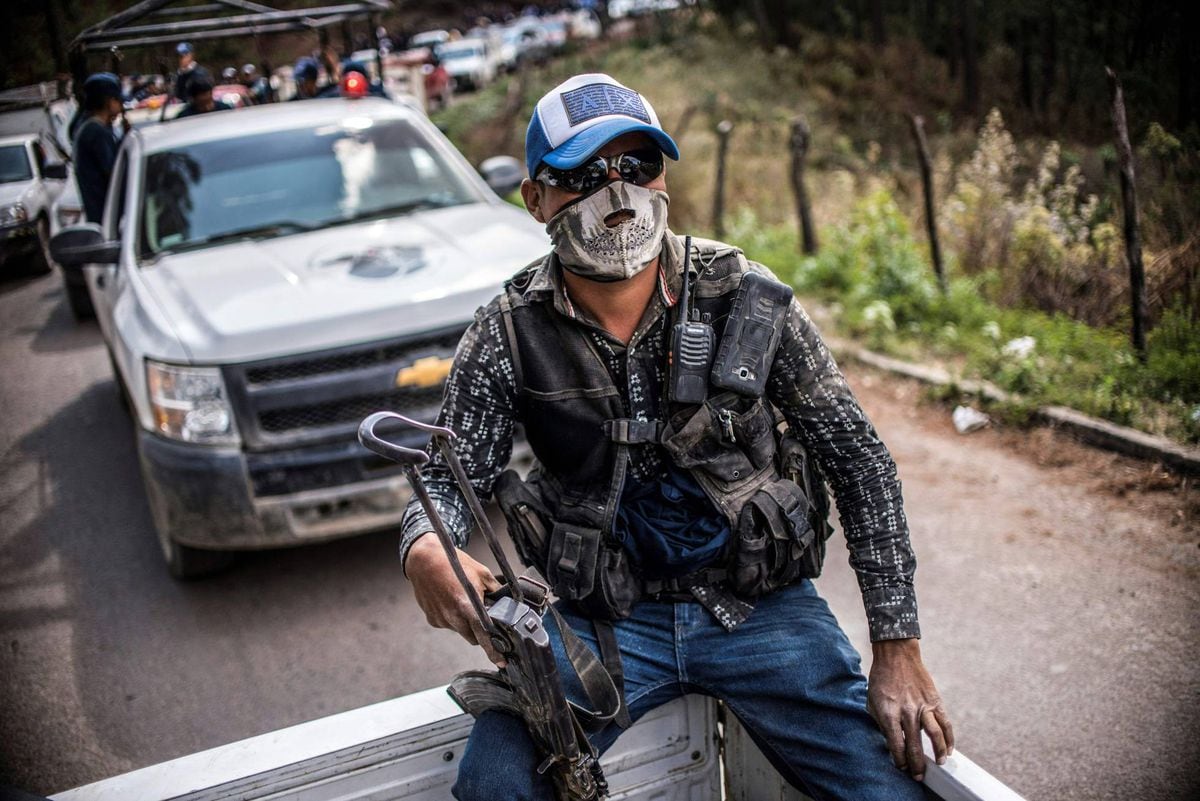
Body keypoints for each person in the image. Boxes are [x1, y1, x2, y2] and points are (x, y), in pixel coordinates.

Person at [398, 73, 955, 801]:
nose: (618, 193)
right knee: (494, 786)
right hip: (607, 626)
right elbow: (443, 474)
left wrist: (897, 642)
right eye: (584, 175)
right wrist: (424, 544)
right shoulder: (507, 331)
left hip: (763, 611)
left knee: (893, 789)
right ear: (535, 198)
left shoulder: (745, 295)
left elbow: (859, 458)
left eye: (638, 167)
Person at [72, 73, 128, 224]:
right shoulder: (97, 133)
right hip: (107, 215)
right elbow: (114, 174)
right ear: (108, 101)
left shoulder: (87, 128)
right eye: (117, 100)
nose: (120, 105)